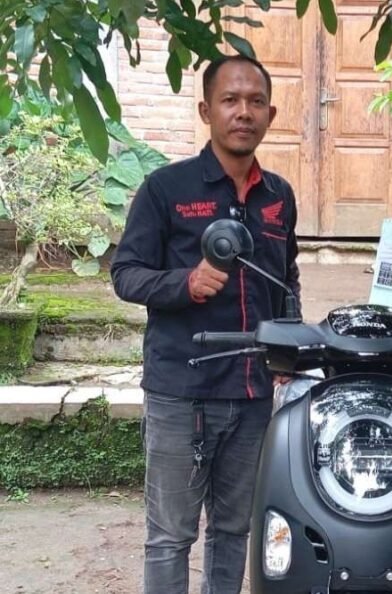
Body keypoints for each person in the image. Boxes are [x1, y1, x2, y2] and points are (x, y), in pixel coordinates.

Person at [111, 55, 301, 593]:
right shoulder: (165, 189)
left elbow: (286, 278)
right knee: (170, 536)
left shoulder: (278, 196)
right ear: (206, 111)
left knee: (234, 529)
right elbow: (125, 274)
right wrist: (185, 283)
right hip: (182, 392)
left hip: (252, 393)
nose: (244, 112)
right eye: (230, 100)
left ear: (270, 114)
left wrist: (288, 346)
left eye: (256, 102)